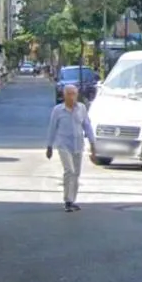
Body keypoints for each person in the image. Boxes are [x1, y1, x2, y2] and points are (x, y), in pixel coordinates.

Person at [46, 84, 95, 212]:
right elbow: (52, 128)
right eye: (69, 94)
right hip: (63, 145)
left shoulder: (82, 108)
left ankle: (72, 200)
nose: (72, 97)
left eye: (74, 94)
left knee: (76, 174)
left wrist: (92, 143)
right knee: (69, 171)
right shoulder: (58, 110)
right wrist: (49, 146)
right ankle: (67, 201)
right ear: (64, 95)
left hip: (78, 145)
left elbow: (87, 126)